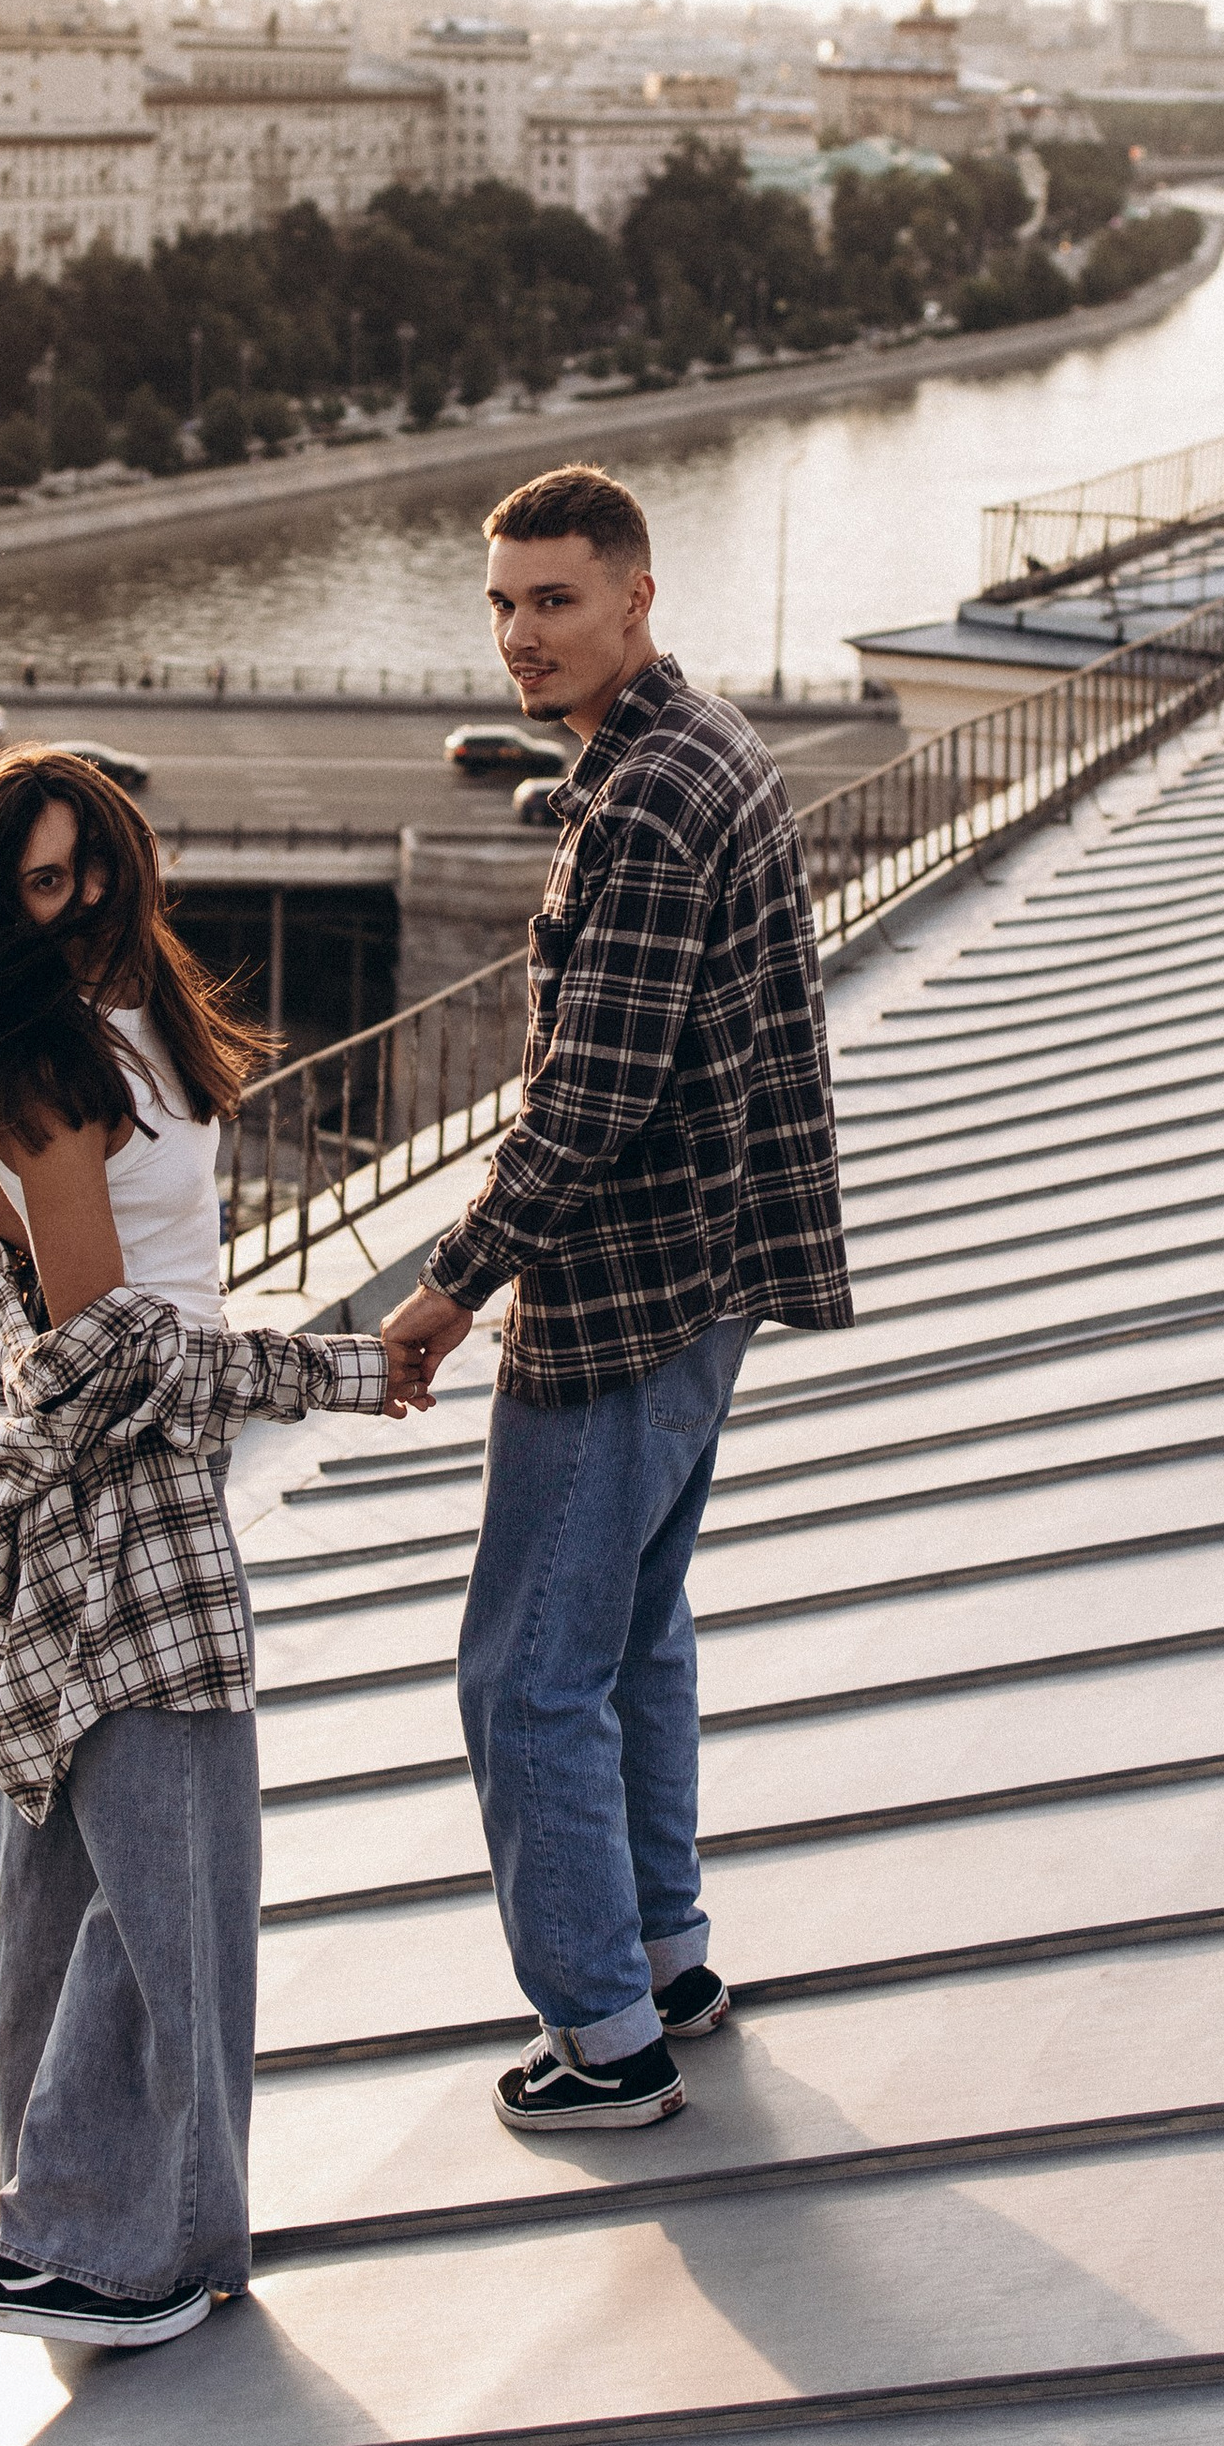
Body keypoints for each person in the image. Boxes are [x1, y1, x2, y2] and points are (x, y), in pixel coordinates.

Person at [0, 747, 431, 2349]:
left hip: (133, 1488)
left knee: (84, 1882)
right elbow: (104, 1350)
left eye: (89, 869)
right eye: (37, 885)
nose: (72, 907)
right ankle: (70, 2243)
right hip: (118, 1503)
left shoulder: (136, 1027)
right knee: (170, 1884)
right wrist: (335, 1367)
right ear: (0, 905)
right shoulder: (42, 1067)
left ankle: (121, 2232)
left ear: (129, 861)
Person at [382, 466, 852, 2133]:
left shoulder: (645, 801)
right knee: (636, 1639)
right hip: (709, 1280)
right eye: (502, 603)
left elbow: (590, 1102)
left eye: (555, 599)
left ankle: (603, 2038)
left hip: (619, 1299)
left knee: (520, 1677)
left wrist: (446, 1290)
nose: (520, 635)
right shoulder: (707, 743)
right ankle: (665, 1959)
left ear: (635, 596)